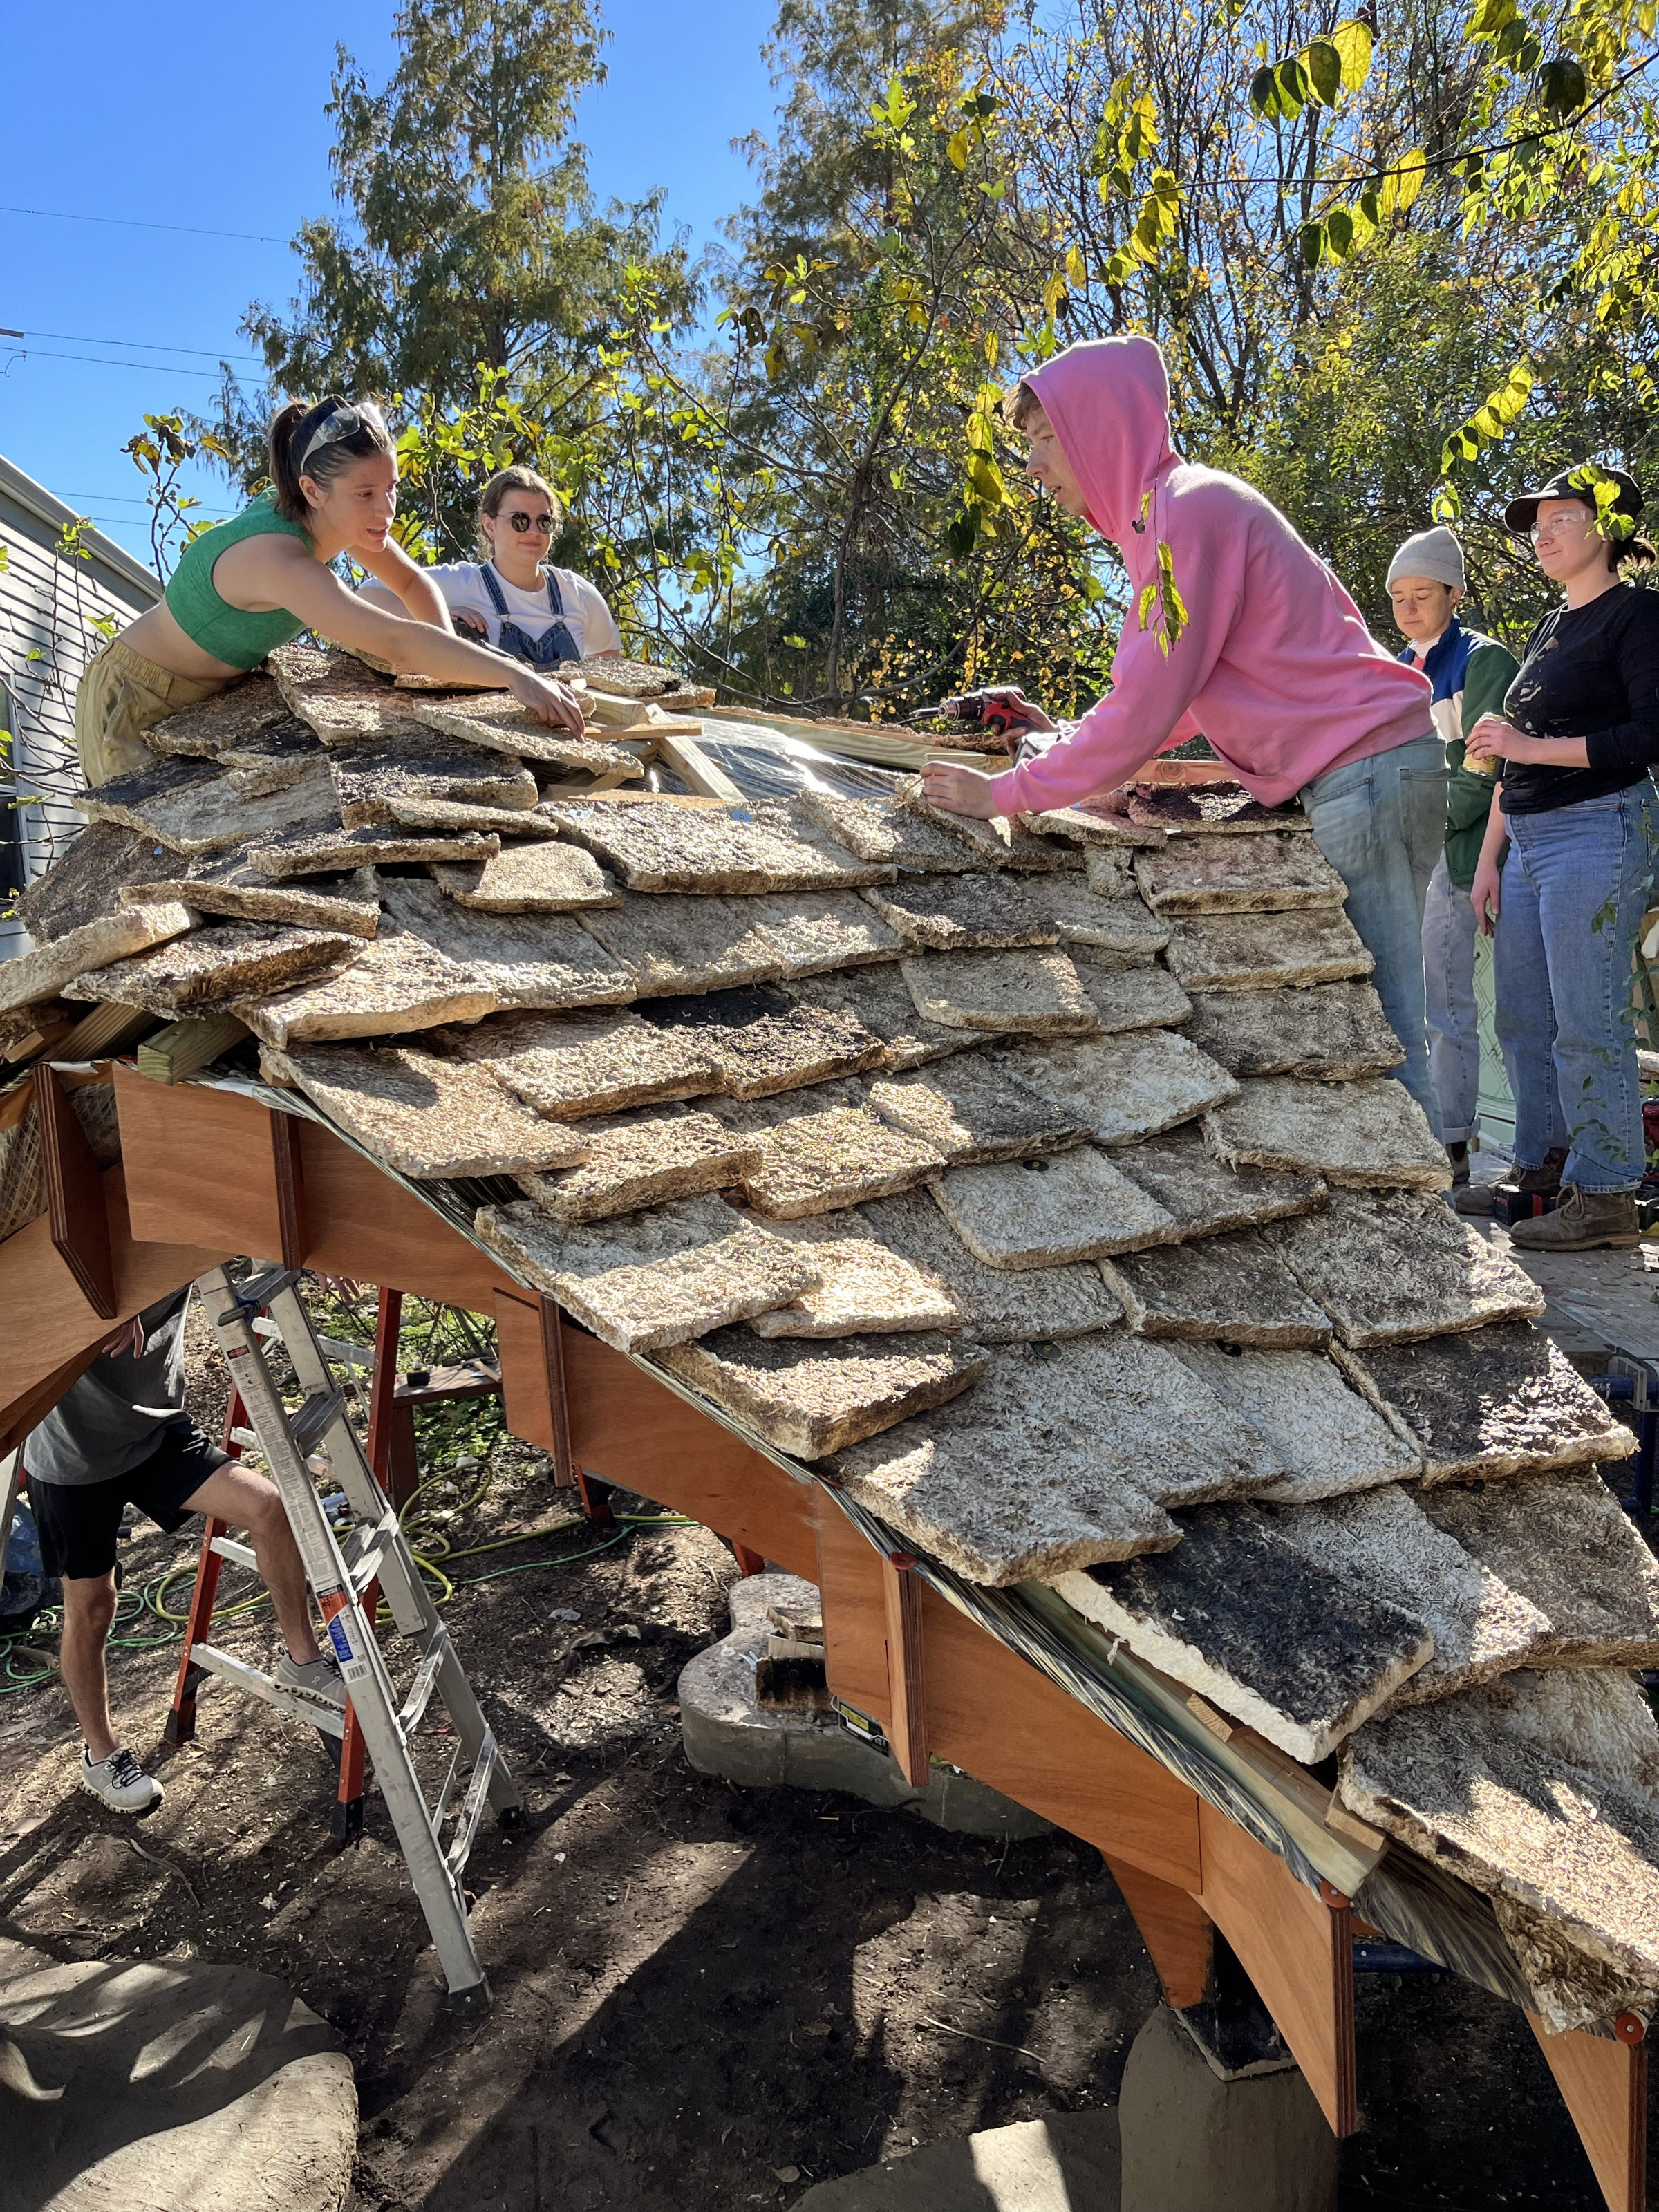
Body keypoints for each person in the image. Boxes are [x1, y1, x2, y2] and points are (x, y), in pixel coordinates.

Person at [919, 337, 1446, 1125]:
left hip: (1365, 768)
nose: (1031, 467)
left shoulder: (1186, 514)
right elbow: (1179, 697)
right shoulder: (1173, 516)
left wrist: (1005, 793)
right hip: (1373, 764)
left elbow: (1147, 706)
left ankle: (1429, 1219)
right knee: (1384, 1003)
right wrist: (1071, 748)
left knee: (1381, 1015)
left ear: (1100, 428)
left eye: (1041, 439)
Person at [75, 397, 585, 788]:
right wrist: (517, 677)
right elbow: (398, 642)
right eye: (366, 493)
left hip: (209, 695)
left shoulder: (334, 518)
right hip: (135, 702)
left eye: (391, 487)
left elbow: (412, 582)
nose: (385, 509)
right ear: (313, 489)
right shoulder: (280, 562)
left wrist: (446, 682)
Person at [24, 1291, 340, 1816]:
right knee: (93, 1607)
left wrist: (317, 1248)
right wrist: (97, 1312)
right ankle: (101, 1757)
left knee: (271, 1508)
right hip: (71, 1463)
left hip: (155, 1432)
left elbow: (256, 1218)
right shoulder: (70, 1250)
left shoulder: (178, 1227)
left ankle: (302, 1660)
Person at [1463, 465, 1659, 1251]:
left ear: (1605, 526)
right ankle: (1543, 1169)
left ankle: (1607, 1191)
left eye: (1560, 518)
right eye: (1535, 522)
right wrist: (1489, 860)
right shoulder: (1549, 627)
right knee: (1522, 1015)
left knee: (1587, 1019)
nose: (1540, 534)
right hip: (1530, 838)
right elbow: (1515, 763)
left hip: (1599, 824)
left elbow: (1649, 737)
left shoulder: (1638, 615)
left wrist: (1527, 743)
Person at [1386, 527, 1519, 1192]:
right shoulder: (1396, 668)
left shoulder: (1482, 658)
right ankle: (1410, 1133)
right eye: (1398, 597)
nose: (1409, 608)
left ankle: (1452, 1147)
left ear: (1455, 593)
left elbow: (1484, 766)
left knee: (1449, 1004)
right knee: (1403, 1002)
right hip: (1397, 855)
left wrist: (1427, 832)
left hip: (1452, 850)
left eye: (1423, 594)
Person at [359, 465, 622, 668]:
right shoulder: (463, 582)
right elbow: (369, 595)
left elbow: (609, 656)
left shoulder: (576, 593)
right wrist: (438, 612)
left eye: (544, 522)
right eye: (520, 520)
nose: (533, 531)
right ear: (489, 525)